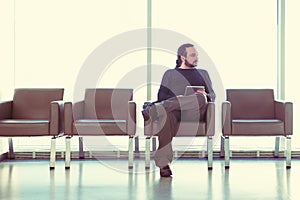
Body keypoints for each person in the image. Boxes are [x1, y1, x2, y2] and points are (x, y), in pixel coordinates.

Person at [142, 43, 215, 177]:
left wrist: (203, 94)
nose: (196, 57)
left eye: (196, 55)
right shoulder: (170, 74)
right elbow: (161, 97)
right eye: (193, 55)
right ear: (183, 57)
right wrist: (177, 100)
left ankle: (156, 109)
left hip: (194, 112)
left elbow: (212, 96)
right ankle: (163, 164)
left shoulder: (203, 73)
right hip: (174, 112)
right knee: (165, 114)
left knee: (200, 98)